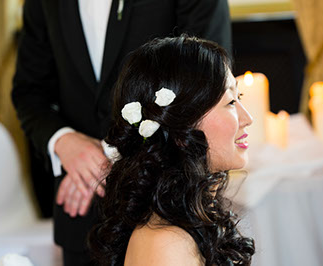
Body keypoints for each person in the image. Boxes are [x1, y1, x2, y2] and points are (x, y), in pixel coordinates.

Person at [12, 0, 232, 265]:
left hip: (165, 205)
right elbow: (29, 91)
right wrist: (63, 141)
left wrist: (99, 158)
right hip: (82, 209)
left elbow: (204, 81)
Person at [89, 36, 255, 266]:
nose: (248, 118)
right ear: (181, 126)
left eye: (240, 97)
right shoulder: (166, 245)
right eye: (229, 102)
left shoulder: (183, 221)